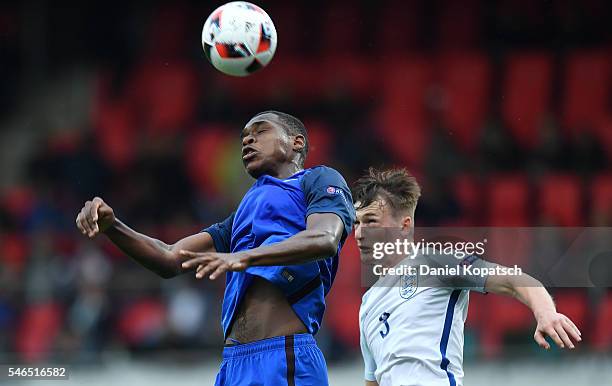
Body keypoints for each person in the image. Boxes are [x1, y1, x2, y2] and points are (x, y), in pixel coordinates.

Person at [75, 111, 355, 386]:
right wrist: (113, 226)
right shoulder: (242, 214)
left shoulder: (318, 180)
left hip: (283, 359)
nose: (248, 141)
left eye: (261, 131)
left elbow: (324, 239)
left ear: (297, 142)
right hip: (232, 366)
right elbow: (169, 258)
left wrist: (243, 257)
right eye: (244, 137)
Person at [353, 167, 581, 386]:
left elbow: (514, 280)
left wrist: (546, 312)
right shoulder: (368, 304)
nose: (359, 233)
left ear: (404, 226)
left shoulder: (437, 264)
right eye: (356, 223)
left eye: (371, 221)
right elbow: (374, 380)